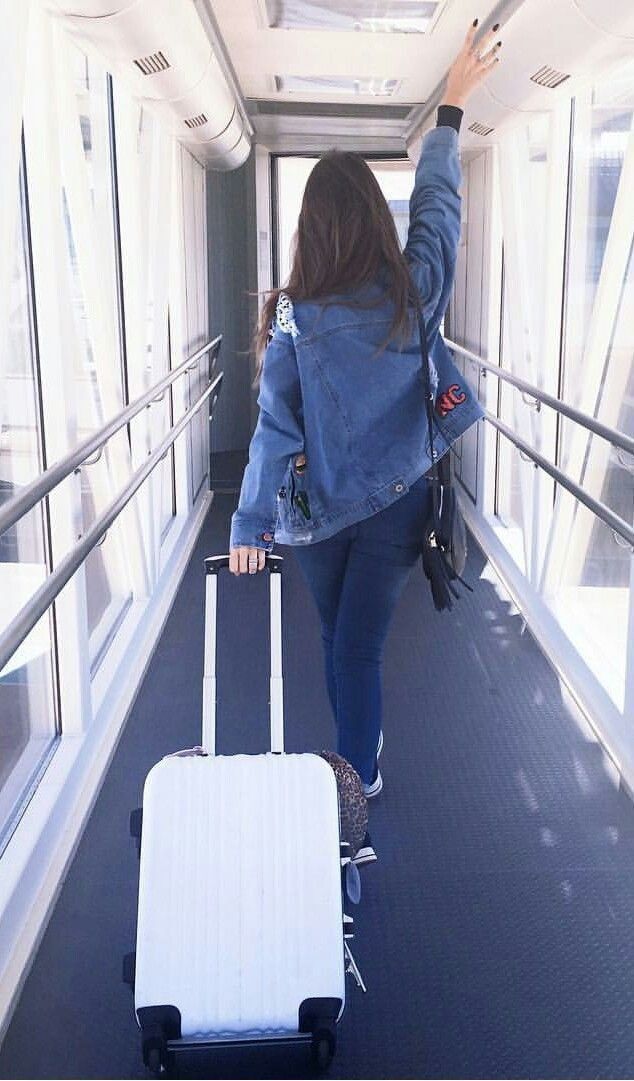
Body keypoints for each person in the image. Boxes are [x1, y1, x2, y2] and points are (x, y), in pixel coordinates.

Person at [228, 18, 501, 796]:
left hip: (313, 512)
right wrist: (450, 108)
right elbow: (441, 212)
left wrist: (250, 523)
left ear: (309, 231)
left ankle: (353, 768)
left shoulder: (290, 314)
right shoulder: (412, 294)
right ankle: (359, 774)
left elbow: (274, 428)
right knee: (360, 646)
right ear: (376, 222)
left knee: (334, 637)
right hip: (396, 503)